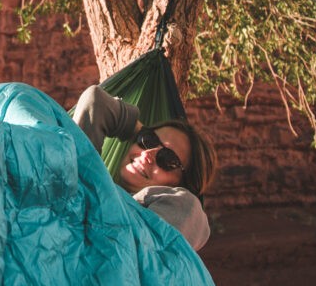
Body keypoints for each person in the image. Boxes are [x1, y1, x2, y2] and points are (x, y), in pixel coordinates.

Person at [72, 84, 216, 250]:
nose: (148, 154)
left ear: (182, 185)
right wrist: (141, 132)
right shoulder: (87, 180)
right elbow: (96, 101)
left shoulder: (186, 207)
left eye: (167, 159)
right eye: (149, 141)